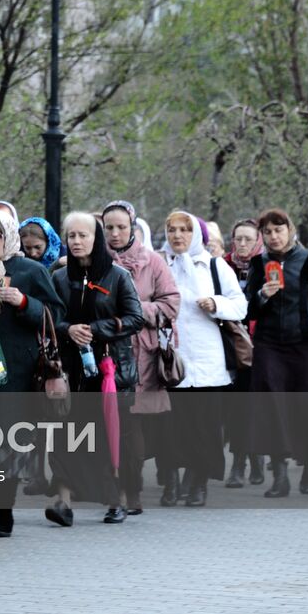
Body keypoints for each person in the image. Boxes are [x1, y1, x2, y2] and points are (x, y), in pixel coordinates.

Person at [45, 213, 144, 527]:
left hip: (108, 368)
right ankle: (63, 501)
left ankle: (117, 501)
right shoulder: (59, 278)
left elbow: (135, 317)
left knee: (108, 435)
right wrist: (68, 329)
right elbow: (49, 320)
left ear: (96, 238)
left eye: (82, 235)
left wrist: (98, 328)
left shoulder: (117, 276)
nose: (76, 242)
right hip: (70, 370)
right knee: (66, 434)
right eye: (71, 236)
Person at [0, 209, 64, 537]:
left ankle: (1, 511)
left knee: (8, 441)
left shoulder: (30, 270)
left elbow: (55, 315)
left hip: (17, 370)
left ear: (9, 237)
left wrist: (24, 302)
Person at [243, 208, 308, 498]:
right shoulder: (258, 263)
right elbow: (249, 310)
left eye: (278, 230)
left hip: (306, 344)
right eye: (268, 232)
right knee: (273, 407)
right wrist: (262, 295)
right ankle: (280, 476)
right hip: (270, 344)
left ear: (290, 230)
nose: (273, 237)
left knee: (304, 408)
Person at [158, 210, 248, 507]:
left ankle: (198, 482)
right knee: (171, 426)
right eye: (172, 229)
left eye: (184, 229)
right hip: (171, 358)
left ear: (195, 234)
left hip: (207, 359)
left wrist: (216, 304)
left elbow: (240, 305)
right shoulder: (159, 264)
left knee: (204, 426)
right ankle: (170, 482)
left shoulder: (214, 266)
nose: (178, 235)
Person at [100, 200, 179, 514]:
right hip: (108, 351)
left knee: (138, 427)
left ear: (133, 227)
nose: (115, 234)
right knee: (115, 424)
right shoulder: (96, 262)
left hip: (144, 353)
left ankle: (138, 489)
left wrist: (135, 310)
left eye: (121, 227)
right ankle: (117, 491)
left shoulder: (153, 262)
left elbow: (171, 304)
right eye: (109, 228)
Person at [223, 218, 266, 487]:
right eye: (238, 238)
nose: (242, 244)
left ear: (257, 241)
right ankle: (239, 462)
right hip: (230, 345)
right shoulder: (222, 266)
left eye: (248, 239)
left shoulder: (267, 267)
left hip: (262, 344)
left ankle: (257, 458)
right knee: (237, 408)